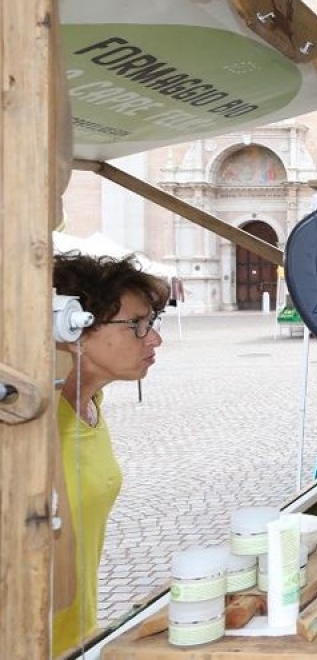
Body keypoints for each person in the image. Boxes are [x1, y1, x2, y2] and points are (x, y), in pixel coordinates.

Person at [52, 252, 169, 657]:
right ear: (73, 327)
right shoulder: (27, 425)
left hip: (76, 639)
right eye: (136, 324)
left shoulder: (90, 404)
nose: (153, 338)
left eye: (151, 323)